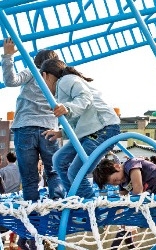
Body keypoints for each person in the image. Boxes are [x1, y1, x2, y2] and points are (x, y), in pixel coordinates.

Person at [40, 58, 121, 199]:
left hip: (103, 129)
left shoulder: (66, 80)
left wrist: (67, 108)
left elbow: (85, 97)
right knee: (59, 159)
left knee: (76, 172)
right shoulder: (62, 88)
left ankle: (91, 210)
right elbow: (80, 121)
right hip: (91, 132)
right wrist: (62, 133)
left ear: (45, 76)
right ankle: (74, 198)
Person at [1, 38, 65, 202]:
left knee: (29, 175)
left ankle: (33, 213)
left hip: (25, 127)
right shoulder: (59, 80)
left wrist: (7, 56)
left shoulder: (33, 71)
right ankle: (57, 204)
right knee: (53, 171)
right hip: (49, 129)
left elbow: (11, 81)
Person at [92, 157, 156, 195]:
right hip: (154, 193)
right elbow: (122, 198)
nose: (118, 183)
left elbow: (138, 190)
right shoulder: (122, 183)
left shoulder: (131, 165)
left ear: (117, 167)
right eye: (113, 184)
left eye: (115, 180)